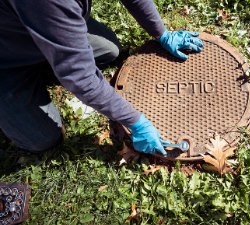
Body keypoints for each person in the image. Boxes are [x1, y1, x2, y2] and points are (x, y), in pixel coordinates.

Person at [0, 0, 203, 157]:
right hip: (7, 61)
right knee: (41, 139)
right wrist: (135, 121)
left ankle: (57, 49)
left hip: (39, 20)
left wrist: (162, 33)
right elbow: (82, 78)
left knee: (110, 51)